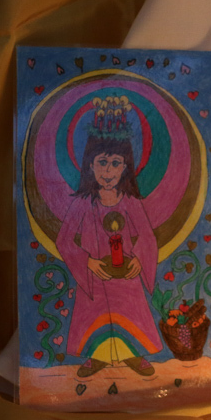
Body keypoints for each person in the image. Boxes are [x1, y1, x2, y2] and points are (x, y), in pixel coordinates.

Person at [55, 96, 163, 379]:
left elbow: (147, 236)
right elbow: (64, 241)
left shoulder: (131, 202)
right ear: (89, 165)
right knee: (94, 313)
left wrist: (139, 259)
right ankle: (96, 356)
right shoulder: (81, 204)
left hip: (125, 275)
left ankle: (134, 354)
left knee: (131, 310)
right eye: (102, 162)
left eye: (116, 163)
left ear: (126, 167)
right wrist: (88, 262)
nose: (108, 171)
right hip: (96, 274)